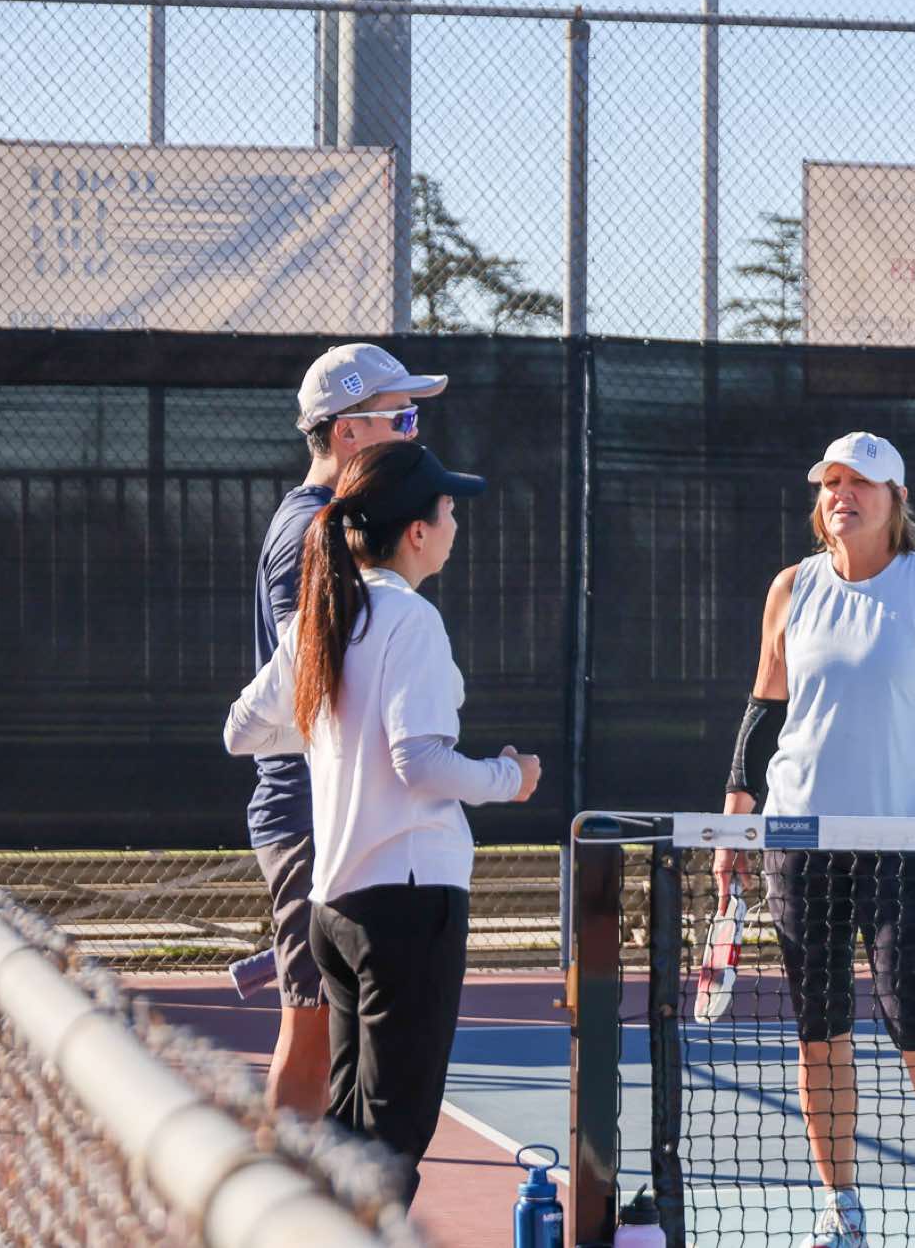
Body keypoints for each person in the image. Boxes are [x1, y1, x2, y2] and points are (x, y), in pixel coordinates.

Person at [711, 432, 915, 1248]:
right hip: (799, 841)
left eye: (860, 483)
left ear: (896, 500)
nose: (842, 495)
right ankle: (842, 1207)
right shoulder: (791, 588)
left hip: (904, 844)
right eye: (830, 482)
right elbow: (763, 715)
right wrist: (732, 821)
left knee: (913, 1018)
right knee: (818, 1029)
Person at [224, 441, 541, 1200]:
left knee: (349, 1132)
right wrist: (511, 779)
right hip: (407, 906)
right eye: (448, 507)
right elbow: (419, 762)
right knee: (394, 1139)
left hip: (335, 913)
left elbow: (242, 730)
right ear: (417, 531)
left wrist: (332, 732)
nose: (456, 519)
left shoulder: (322, 618)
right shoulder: (412, 620)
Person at [245, 342, 447, 1116]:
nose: (414, 433)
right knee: (312, 1027)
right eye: (402, 417)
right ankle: (266, 1188)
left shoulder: (342, 527)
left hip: (340, 814)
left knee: (346, 1034)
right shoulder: (311, 532)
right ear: (348, 432)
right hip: (311, 817)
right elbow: (319, 679)